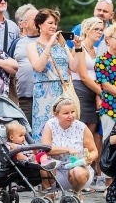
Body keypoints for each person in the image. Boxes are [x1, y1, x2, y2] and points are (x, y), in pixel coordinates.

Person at [27, 9, 79, 138]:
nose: (54, 26)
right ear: (40, 24)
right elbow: (38, 67)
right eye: (50, 23)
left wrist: (78, 48)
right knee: (43, 128)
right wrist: (49, 45)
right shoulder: (32, 46)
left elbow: (74, 67)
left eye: (55, 24)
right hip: (44, 93)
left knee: (65, 127)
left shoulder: (62, 45)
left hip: (63, 90)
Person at [39, 97, 97, 198]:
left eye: (73, 112)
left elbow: (94, 151)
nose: (71, 116)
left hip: (78, 167)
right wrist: (68, 149)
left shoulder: (81, 127)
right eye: (66, 113)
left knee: (78, 172)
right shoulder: (50, 125)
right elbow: (46, 149)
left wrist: (90, 158)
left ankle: (77, 192)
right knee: (42, 165)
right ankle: (49, 192)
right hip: (57, 169)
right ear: (56, 114)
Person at [74, 18, 104, 175]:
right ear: (87, 30)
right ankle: (77, 169)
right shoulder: (79, 47)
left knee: (91, 134)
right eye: (96, 29)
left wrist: (98, 95)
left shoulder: (98, 50)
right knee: (80, 131)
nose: (99, 32)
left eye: (101, 29)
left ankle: (89, 170)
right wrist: (103, 93)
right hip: (80, 89)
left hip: (94, 92)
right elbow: (84, 76)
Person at [11, 6, 38, 124]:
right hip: (23, 97)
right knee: (25, 130)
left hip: (45, 97)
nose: (40, 21)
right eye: (36, 19)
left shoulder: (50, 41)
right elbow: (10, 65)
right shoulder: (18, 43)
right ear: (25, 24)